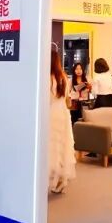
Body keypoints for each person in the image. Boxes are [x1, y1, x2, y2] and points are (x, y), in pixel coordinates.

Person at [48, 50, 76, 194]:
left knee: (51, 148)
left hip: (51, 114)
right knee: (63, 147)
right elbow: (67, 98)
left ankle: (50, 179)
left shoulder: (47, 78)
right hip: (63, 113)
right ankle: (60, 180)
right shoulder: (63, 77)